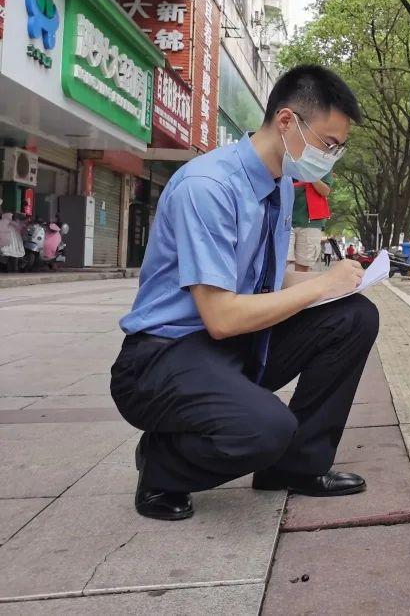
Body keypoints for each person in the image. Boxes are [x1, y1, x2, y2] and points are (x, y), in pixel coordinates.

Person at [111, 64, 378, 522]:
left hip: (228, 347)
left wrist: (336, 285)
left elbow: (266, 285)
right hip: (164, 357)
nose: (330, 156)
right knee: (266, 430)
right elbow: (221, 316)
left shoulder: (277, 188)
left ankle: (295, 467)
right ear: (288, 121)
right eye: (328, 144)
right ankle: (163, 465)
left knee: (353, 316)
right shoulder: (208, 187)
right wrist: (319, 284)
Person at [287, 172, 333, 272]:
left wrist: (309, 172)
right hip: (284, 219)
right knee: (282, 262)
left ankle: (299, 287)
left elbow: (325, 191)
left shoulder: (323, 165)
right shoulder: (286, 160)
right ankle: (282, 287)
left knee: (303, 264)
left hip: (311, 222)